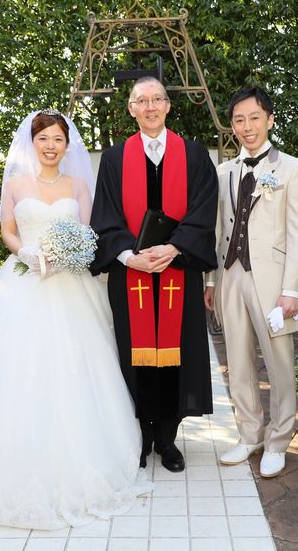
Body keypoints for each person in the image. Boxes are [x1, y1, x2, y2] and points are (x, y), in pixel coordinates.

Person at [0, 110, 152, 529]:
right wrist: (24, 250)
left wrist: (69, 256)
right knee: (12, 368)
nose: (50, 146)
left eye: (58, 139)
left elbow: (89, 234)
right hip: (22, 281)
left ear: (67, 145)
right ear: (32, 142)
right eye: (44, 139)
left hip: (69, 285)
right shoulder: (15, 183)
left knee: (73, 368)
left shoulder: (78, 185)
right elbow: (7, 228)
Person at [90, 77, 218, 473]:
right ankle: (139, 436)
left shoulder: (193, 155)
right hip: (131, 275)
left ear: (168, 106)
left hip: (179, 269)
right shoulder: (114, 159)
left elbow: (203, 211)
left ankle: (166, 437)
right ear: (131, 109)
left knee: (177, 355)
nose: (150, 107)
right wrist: (129, 257)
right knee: (133, 353)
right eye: (141, 101)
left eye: (157, 99)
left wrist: (174, 248)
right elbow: (105, 217)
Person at [204, 85, 298, 478]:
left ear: (269, 120)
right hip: (230, 275)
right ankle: (250, 434)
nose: (247, 126)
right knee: (237, 361)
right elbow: (217, 231)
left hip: (273, 282)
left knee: (279, 364)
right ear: (232, 125)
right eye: (239, 120)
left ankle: (278, 440)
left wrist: (292, 290)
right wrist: (211, 281)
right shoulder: (223, 172)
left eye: (254, 117)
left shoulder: (293, 168)